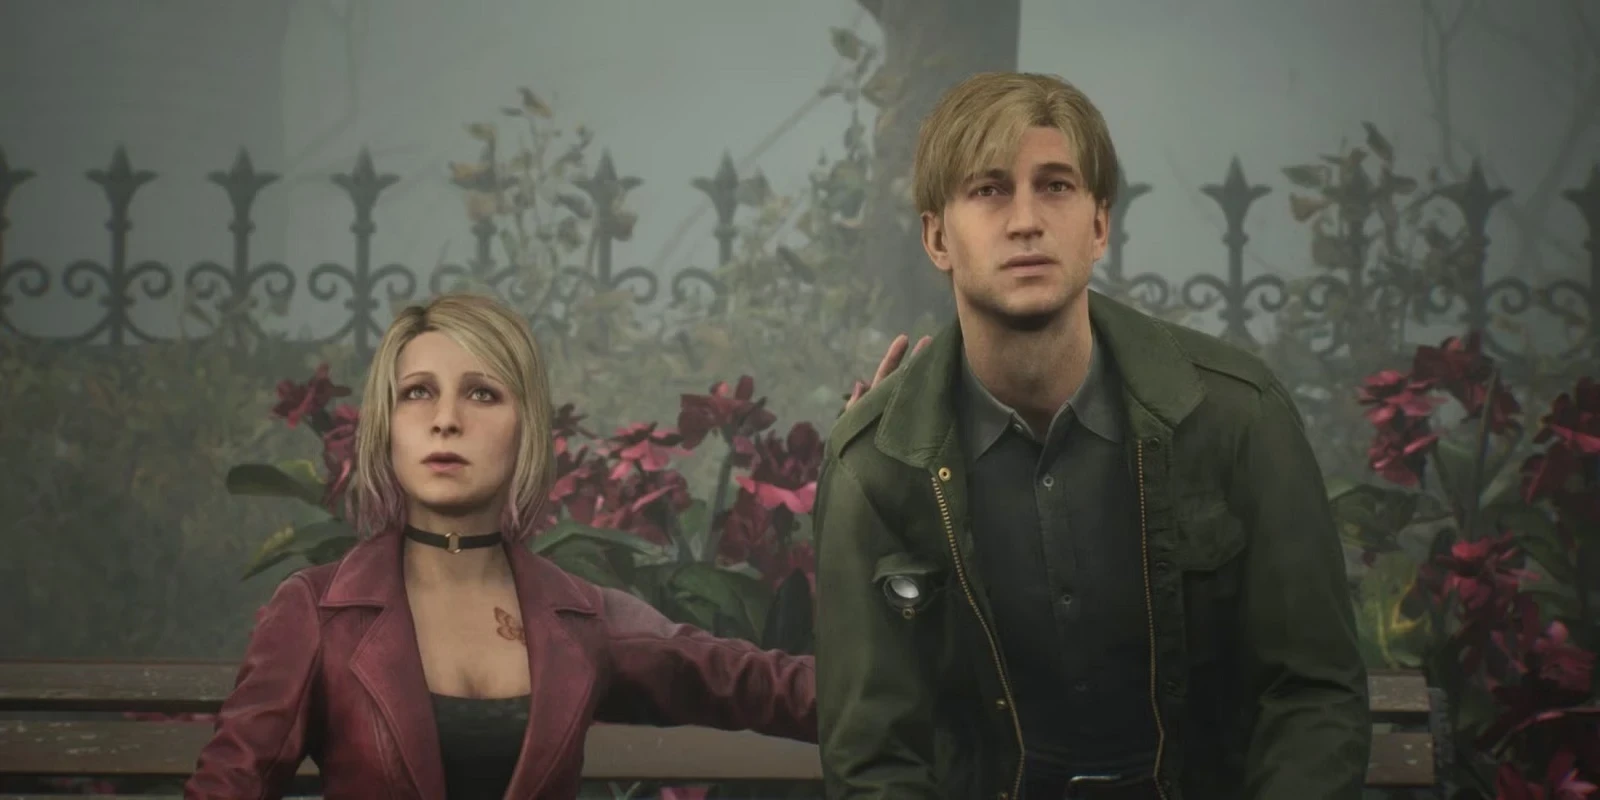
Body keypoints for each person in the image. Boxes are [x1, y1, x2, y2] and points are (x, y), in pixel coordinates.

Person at [812, 72, 1371, 799]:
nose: (1026, 221)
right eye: (988, 190)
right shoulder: (876, 467)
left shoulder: (1237, 415)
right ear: (937, 237)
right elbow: (875, 761)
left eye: (1056, 186)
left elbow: (1311, 697)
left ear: (1100, 224)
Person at [185, 292, 822, 800]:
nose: (446, 419)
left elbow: (766, 685)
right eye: (417, 392)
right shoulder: (319, 610)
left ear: (526, 429)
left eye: (482, 393)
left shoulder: (582, 617)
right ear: (387, 427)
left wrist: (868, 440)